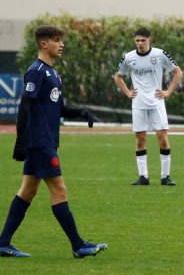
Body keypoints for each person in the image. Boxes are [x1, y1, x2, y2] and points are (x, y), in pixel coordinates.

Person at [0, 25, 107, 258]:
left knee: (27, 191)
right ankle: (78, 245)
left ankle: (3, 243)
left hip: (45, 141)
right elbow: (24, 107)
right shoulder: (36, 71)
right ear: (43, 44)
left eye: (61, 41)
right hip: (40, 143)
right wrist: (20, 141)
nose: (62, 44)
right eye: (57, 40)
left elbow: (60, 108)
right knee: (59, 190)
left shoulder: (54, 74)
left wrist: (82, 113)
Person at [114, 27, 183, 186]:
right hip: (138, 103)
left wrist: (168, 92)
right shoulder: (129, 57)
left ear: (149, 40)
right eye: (137, 40)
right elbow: (118, 77)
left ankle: (165, 177)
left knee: (162, 138)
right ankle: (143, 177)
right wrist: (127, 92)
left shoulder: (159, 54)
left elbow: (178, 72)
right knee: (140, 139)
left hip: (157, 101)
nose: (140, 43)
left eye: (143, 40)